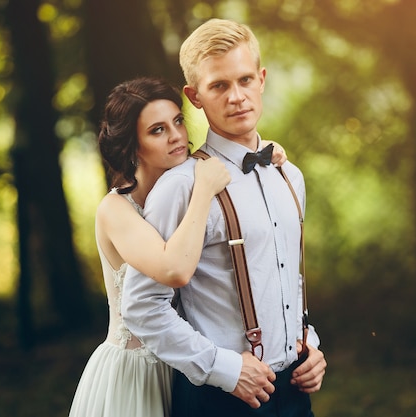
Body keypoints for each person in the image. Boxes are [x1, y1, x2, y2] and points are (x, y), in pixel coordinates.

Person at [121, 19, 327, 417]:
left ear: (262, 79)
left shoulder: (290, 175)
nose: (237, 97)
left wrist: (311, 344)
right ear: (194, 96)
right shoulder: (180, 187)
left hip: (296, 394)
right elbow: (143, 305)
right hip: (220, 399)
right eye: (219, 86)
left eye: (245, 80)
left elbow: (287, 277)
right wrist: (224, 369)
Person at [68, 76, 287, 417]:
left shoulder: (181, 185)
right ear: (133, 146)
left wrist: (262, 150)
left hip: (187, 365)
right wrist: (202, 192)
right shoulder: (116, 210)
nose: (177, 137)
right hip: (139, 373)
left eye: (178, 121)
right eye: (157, 130)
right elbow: (176, 269)